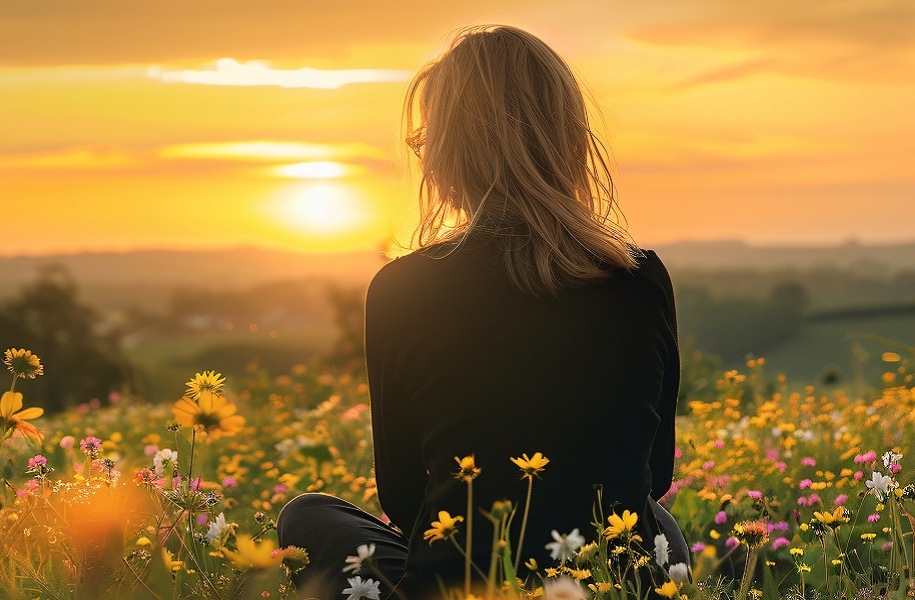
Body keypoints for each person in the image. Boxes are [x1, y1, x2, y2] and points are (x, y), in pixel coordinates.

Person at [276, 24, 689, 599]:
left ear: (448, 153)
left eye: (426, 142)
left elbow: (403, 498)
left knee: (307, 516)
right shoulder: (638, 276)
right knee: (657, 526)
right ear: (569, 142)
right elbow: (656, 473)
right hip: (613, 577)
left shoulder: (401, 289)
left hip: (463, 585)